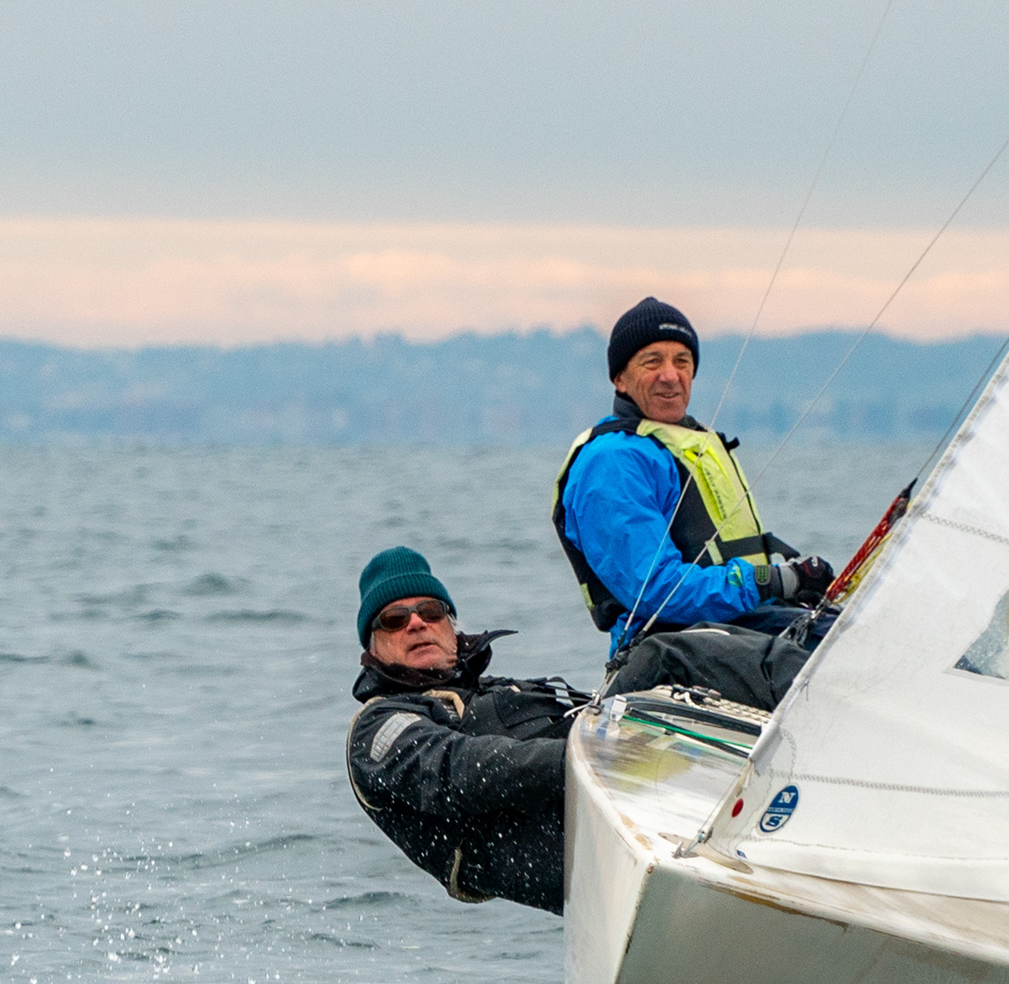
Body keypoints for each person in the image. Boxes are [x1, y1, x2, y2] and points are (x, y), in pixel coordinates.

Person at [346, 546, 815, 916]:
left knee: (668, 652)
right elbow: (456, 772)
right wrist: (603, 750)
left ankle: (820, 702)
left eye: (429, 612)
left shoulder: (491, 689)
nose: (416, 624)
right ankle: (825, 708)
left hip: (608, 789)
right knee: (660, 657)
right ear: (374, 644)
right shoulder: (381, 725)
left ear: (451, 626)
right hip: (548, 838)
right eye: (394, 619)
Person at [552, 297, 833, 664]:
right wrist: (773, 580)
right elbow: (657, 592)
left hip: (740, 628)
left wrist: (798, 585)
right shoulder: (612, 461)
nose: (670, 375)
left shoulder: (692, 441)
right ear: (620, 379)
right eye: (652, 361)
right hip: (673, 650)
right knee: (844, 652)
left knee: (852, 630)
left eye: (681, 361)